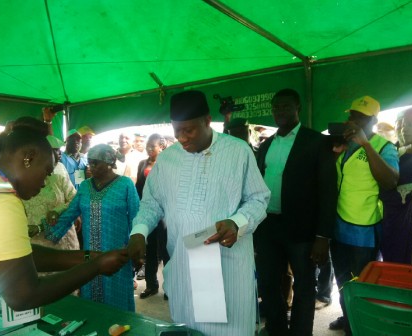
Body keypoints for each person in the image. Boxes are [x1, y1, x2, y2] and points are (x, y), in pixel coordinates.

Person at [128, 90, 270, 336]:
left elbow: (258, 198)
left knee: (228, 330)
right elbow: (151, 203)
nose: (181, 138)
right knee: (190, 329)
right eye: (176, 131)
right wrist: (139, 232)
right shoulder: (167, 159)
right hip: (186, 262)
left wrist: (237, 222)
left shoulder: (238, 152)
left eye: (189, 130)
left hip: (228, 265)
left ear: (207, 120)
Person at [0, 126, 128, 311]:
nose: (44, 182)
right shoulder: (0, 203)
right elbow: (24, 295)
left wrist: (87, 257)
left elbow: (19, 255)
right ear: (28, 157)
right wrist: (96, 266)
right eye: (46, 171)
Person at [255, 88, 338, 336]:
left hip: (302, 230)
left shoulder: (316, 141)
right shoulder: (266, 144)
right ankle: (277, 330)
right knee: (269, 284)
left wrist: (323, 237)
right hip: (268, 227)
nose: (279, 111)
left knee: (304, 286)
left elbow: (328, 192)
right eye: (276, 107)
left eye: (285, 106)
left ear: (298, 108)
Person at [329, 96, 399, 335]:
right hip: (338, 226)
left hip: (363, 229)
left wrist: (366, 145)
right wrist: (336, 152)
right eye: (351, 115)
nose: (352, 120)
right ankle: (348, 316)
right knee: (341, 281)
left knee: (362, 282)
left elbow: (390, 181)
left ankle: (362, 325)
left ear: (373, 120)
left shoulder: (383, 146)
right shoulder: (345, 144)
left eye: (359, 117)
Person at [45, 144, 140, 311]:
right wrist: (48, 232)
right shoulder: (86, 186)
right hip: (90, 257)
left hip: (117, 255)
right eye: (90, 162)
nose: (91, 167)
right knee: (92, 301)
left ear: (110, 162)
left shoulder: (125, 185)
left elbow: (136, 218)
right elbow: (71, 213)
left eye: (96, 163)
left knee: (116, 301)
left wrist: (137, 250)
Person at [23, 135, 79, 253]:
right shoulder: (22, 174)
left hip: (62, 239)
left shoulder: (60, 169)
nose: (58, 154)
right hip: (35, 241)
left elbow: (74, 198)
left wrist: (57, 211)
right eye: (53, 151)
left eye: (59, 150)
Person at [135, 134, 170, 299]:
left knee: (166, 250)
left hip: (165, 214)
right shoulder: (142, 164)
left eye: (152, 146)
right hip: (148, 212)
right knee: (150, 251)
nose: (149, 149)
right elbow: (138, 188)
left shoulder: (168, 163)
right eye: (148, 146)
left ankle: (170, 287)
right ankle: (151, 285)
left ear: (161, 146)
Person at [380, 107, 412, 264]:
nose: (403, 129)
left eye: (409, 124)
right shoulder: (388, 155)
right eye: (399, 124)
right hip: (391, 229)